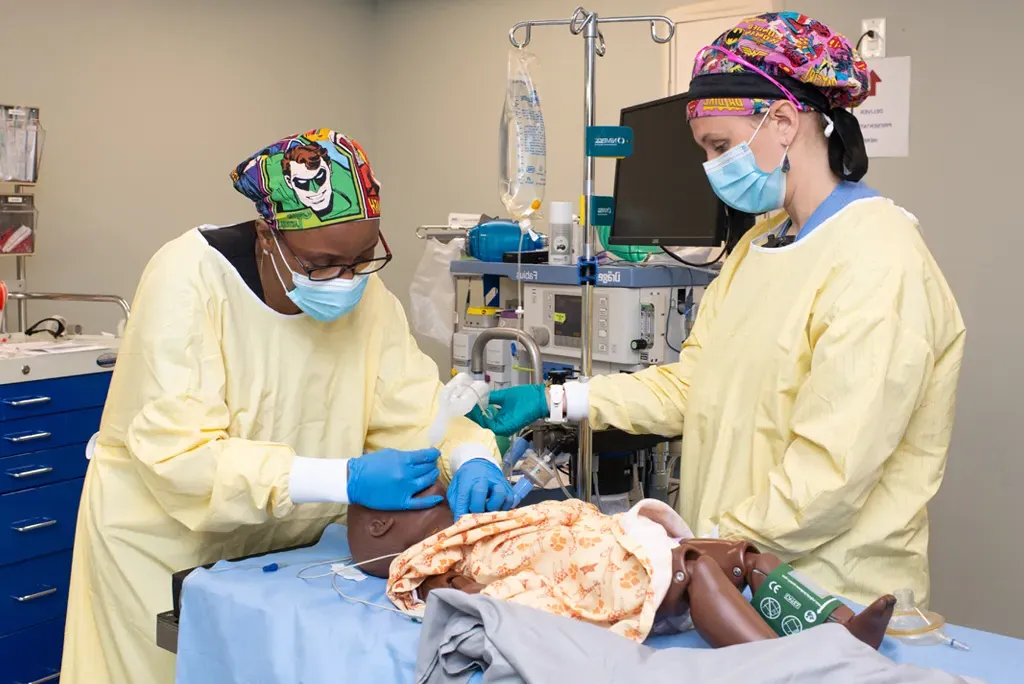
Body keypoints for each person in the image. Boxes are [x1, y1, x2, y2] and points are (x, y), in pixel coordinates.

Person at [470, 13, 965, 609]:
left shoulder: (880, 260)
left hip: (829, 594)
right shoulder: (761, 246)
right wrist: (559, 401)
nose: (711, 168)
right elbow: (692, 384)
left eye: (721, 146)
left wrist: (691, 551)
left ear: (783, 121)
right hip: (733, 573)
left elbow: (828, 479)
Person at [61, 128, 512, 684]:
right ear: (266, 234)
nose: (346, 280)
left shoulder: (364, 294)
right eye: (323, 263)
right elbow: (181, 457)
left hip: (278, 555)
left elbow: (416, 407)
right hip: (162, 547)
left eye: (363, 259)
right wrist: (344, 477)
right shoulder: (188, 279)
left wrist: (470, 455)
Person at [346, 484, 896, 648]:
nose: (444, 484)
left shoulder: (478, 525)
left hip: (614, 544)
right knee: (700, 567)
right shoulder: (437, 559)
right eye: (430, 483)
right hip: (607, 575)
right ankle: (788, 662)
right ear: (380, 527)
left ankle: (840, 625)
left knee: (743, 556)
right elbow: (483, 596)